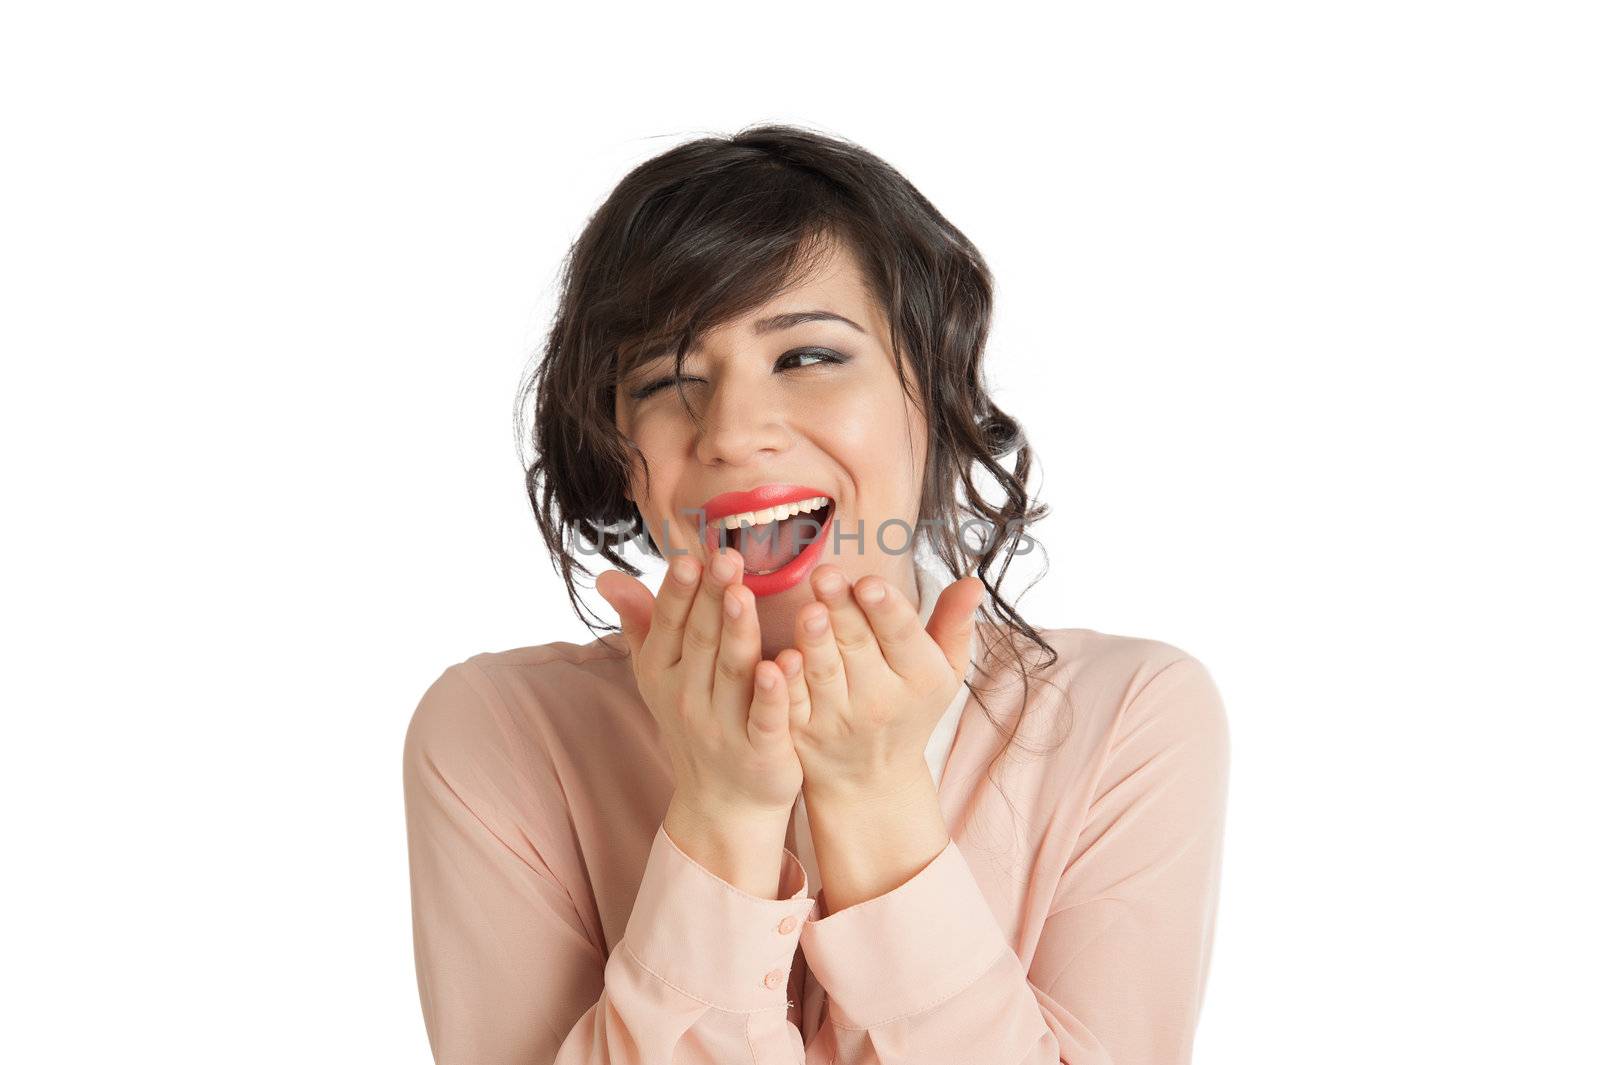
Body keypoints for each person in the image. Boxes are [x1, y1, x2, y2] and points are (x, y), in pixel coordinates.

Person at [402, 124, 1230, 1064]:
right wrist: (724, 815)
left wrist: (876, 795)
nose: (734, 433)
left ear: (933, 388)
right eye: (669, 380)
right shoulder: (497, 733)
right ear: (624, 460)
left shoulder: (1126, 717)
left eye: (806, 357)